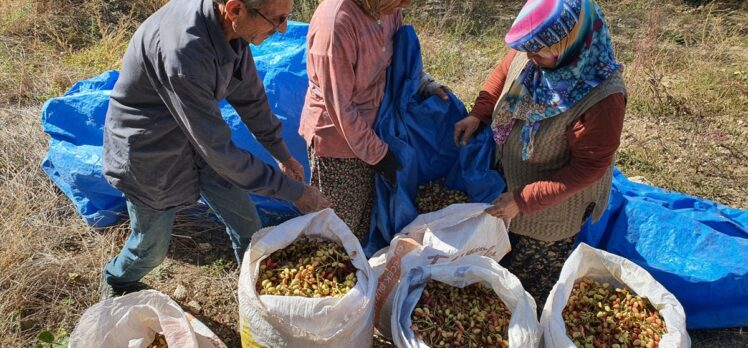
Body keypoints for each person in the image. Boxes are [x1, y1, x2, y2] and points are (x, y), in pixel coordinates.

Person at [100, 0, 329, 300]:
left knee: (248, 225)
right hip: (150, 152)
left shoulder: (231, 30)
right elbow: (220, 153)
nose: (283, 29)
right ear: (235, 10)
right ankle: (116, 280)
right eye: (277, 19)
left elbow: (250, 96)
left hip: (197, 142)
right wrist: (295, 192)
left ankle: (253, 293)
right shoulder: (184, 53)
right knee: (150, 250)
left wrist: (281, 153)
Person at [453, 0, 627, 306]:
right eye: (527, 49)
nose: (530, 57)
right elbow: (503, 73)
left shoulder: (602, 98)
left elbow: (588, 168)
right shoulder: (534, 52)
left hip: (551, 215)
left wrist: (523, 200)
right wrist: (479, 114)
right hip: (511, 188)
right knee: (494, 274)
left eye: (540, 51)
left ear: (572, 41)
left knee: (525, 291)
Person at [300, 0, 449, 240]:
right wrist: (379, 155)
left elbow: (401, 58)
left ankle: (362, 268)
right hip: (339, 141)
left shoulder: (386, 8)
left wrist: (424, 83)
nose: (405, 4)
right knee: (337, 228)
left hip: (377, 128)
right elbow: (341, 108)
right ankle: (339, 273)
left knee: (366, 220)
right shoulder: (336, 24)